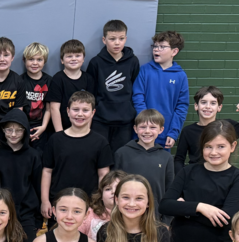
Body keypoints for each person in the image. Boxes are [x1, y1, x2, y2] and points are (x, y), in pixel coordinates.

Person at [40, 91, 113, 219]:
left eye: (85, 110)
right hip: (59, 202)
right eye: (75, 109)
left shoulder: (101, 142)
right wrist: (45, 200)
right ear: (68, 111)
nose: (80, 114)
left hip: (89, 204)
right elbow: (47, 171)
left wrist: (101, 202)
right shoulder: (55, 140)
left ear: (93, 113)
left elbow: (103, 175)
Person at [174, 86, 239, 171]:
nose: (208, 106)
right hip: (195, 176)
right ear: (196, 106)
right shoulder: (188, 131)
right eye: (203, 102)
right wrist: (182, 178)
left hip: (221, 175)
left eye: (213, 103)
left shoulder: (227, 126)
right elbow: (179, 159)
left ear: (219, 107)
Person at [0, 108, 43, 242]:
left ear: (25, 131)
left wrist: (38, 218)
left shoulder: (33, 155)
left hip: (26, 214)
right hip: (0, 213)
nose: (13, 134)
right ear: (2, 130)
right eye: (9, 130)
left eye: (19, 130)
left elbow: (38, 186)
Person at [86, 19, 140, 152]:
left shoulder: (133, 61)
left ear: (126, 39)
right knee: (98, 155)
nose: (117, 43)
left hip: (125, 120)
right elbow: (90, 92)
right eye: (112, 39)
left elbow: (135, 87)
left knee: (120, 157)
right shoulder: (95, 63)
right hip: (100, 120)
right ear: (104, 40)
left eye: (121, 38)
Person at [132, 31, 189, 149]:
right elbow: (138, 97)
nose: (156, 50)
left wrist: (173, 133)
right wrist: (145, 124)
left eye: (162, 47)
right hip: (142, 133)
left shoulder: (180, 76)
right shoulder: (145, 70)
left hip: (164, 134)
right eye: (155, 46)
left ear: (174, 51)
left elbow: (181, 106)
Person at [114, 109, 175, 214]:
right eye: (142, 127)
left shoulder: (166, 157)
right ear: (135, 129)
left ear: (161, 130)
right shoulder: (122, 153)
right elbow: (114, 186)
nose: (147, 131)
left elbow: (170, 191)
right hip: (127, 212)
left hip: (156, 215)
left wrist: (166, 219)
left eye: (152, 127)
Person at [46, 39, 90, 134]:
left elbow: (90, 108)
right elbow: (54, 108)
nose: (73, 59)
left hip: (81, 129)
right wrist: (60, 134)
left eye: (77, 56)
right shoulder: (58, 79)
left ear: (83, 59)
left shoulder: (88, 79)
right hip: (61, 128)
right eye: (69, 56)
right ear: (62, 60)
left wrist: (86, 132)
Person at [79, 169, 127, 241]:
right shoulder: (89, 214)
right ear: (101, 196)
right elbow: (75, 238)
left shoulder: (132, 214)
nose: (113, 191)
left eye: (118, 188)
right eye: (108, 189)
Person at [21, 42, 52, 146]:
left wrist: (43, 127)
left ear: (45, 61)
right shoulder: (19, 81)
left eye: (39, 60)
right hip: (22, 126)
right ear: (24, 60)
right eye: (31, 59)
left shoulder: (49, 81)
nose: (35, 63)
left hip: (42, 127)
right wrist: (22, 128)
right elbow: (18, 109)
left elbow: (49, 109)